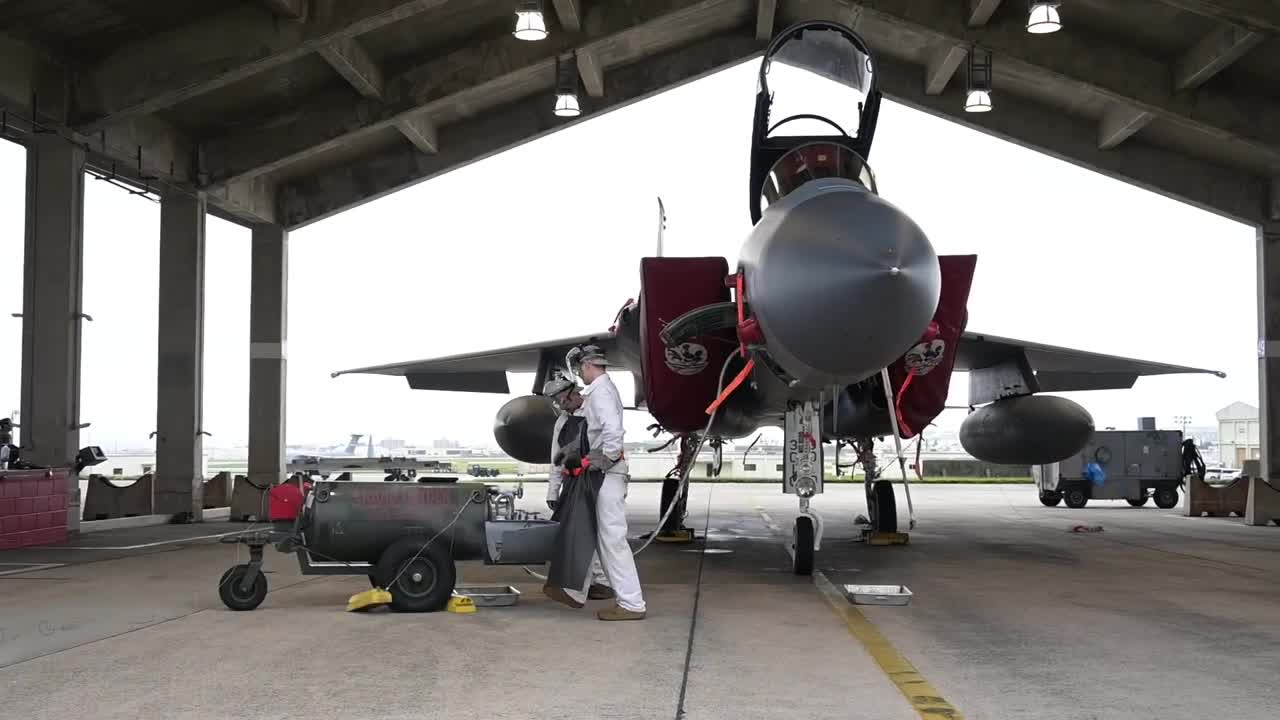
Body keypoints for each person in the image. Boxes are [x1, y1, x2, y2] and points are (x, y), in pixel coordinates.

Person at [569, 345, 647, 621]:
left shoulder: (601, 391)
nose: (580, 374)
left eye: (581, 369)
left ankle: (632, 604)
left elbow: (613, 431)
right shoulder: (602, 390)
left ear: (589, 365)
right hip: (606, 473)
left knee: (613, 540)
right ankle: (626, 600)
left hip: (608, 474)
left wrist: (604, 459)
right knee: (607, 539)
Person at [542, 374, 613, 607]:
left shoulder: (595, 411)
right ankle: (600, 583)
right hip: (574, 483)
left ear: (574, 393)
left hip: (596, 479)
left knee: (588, 533)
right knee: (582, 531)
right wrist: (553, 491)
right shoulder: (562, 422)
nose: (563, 406)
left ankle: (578, 589)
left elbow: (609, 446)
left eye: (564, 400)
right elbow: (556, 458)